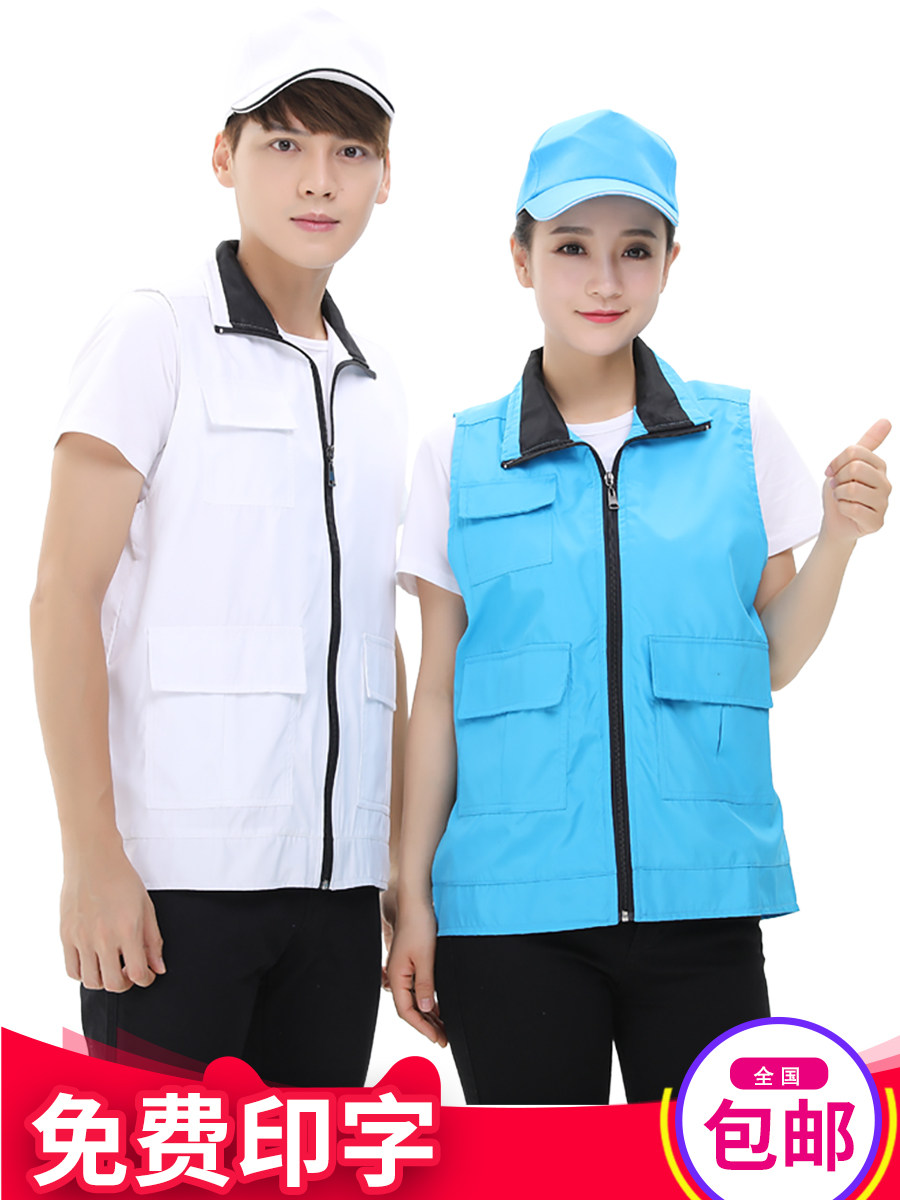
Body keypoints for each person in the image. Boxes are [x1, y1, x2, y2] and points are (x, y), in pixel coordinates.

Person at [387, 109, 891, 1104]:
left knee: (705, 1169)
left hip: (702, 909)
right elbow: (436, 695)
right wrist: (412, 898)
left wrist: (838, 538)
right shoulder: (459, 457)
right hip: (508, 918)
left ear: (669, 262)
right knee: (540, 1178)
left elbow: (770, 658)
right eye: (572, 247)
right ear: (522, 260)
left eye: (635, 250)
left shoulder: (738, 436)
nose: (605, 280)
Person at [30, 11, 407, 1088]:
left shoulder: (377, 392)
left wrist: (399, 876)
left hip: (339, 903)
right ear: (223, 156)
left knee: (314, 1166)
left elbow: (374, 639)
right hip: (173, 893)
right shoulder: (156, 334)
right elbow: (63, 599)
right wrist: (92, 857)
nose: (318, 179)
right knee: (166, 1163)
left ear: (385, 177)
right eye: (283, 143)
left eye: (350, 150)